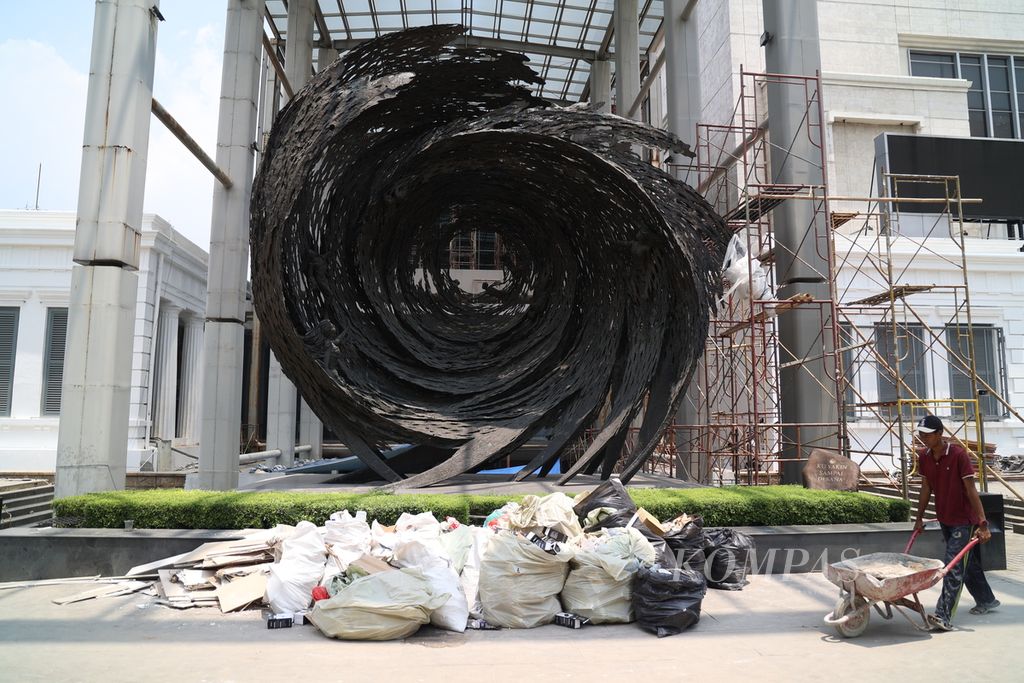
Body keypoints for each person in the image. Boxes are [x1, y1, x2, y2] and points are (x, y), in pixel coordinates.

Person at [912, 414, 999, 631]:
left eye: (928, 435)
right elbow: (926, 488)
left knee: (952, 566)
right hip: (944, 517)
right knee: (966, 563)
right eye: (921, 434)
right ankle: (986, 599)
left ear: (940, 434)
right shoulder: (924, 456)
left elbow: (971, 489)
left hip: (963, 519)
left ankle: (943, 615)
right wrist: (919, 517)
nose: (923, 438)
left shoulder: (959, 455)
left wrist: (982, 522)